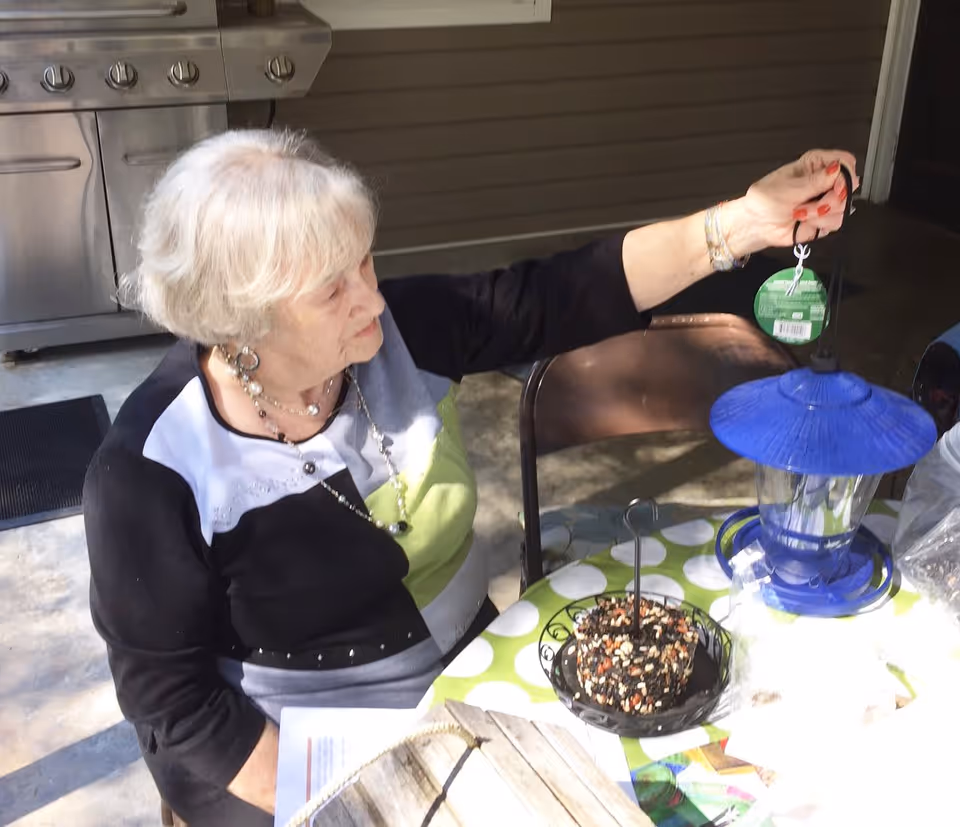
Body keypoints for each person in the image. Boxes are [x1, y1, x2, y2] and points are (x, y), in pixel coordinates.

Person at [83, 129, 857, 825]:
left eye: (365, 260)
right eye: (333, 288)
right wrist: (360, 795)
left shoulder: (397, 333)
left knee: (677, 785)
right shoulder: (151, 472)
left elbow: (562, 293)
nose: (373, 298)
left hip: (467, 680)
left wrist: (747, 223)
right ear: (242, 320)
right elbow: (175, 707)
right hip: (292, 753)